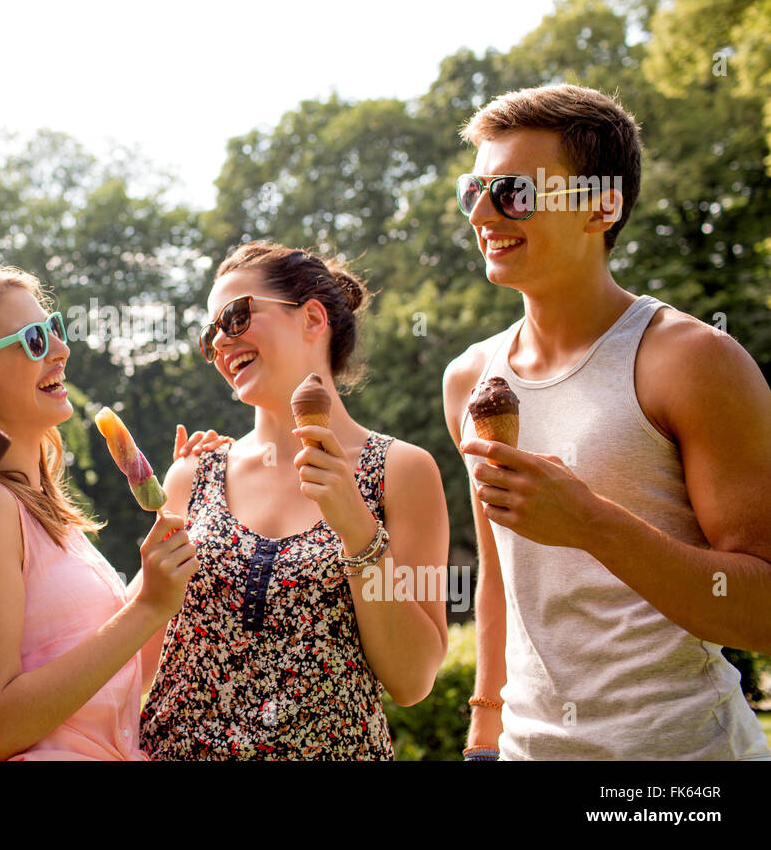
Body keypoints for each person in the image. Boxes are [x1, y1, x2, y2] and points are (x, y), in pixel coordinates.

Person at [443, 83, 771, 760]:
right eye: (471, 190)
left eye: (515, 192)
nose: (484, 211)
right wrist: (484, 728)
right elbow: (502, 575)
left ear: (602, 205)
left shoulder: (691, 360)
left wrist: (590, 523)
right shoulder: (470, 382)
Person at [140, 242, 450, 760]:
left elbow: (412, 679)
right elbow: (137, 660)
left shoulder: (402, 471)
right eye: (209, 334)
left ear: (311, 319)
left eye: (235, 317)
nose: (220, 342)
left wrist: (359, 533)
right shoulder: (190, 477)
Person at [0, 260, 206, 760]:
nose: (61, 349)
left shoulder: (43, 513)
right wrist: (146, 608)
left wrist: (184, 501)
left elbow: (112, 683)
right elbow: (0, 727)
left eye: (53, 328)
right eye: (32, 339)